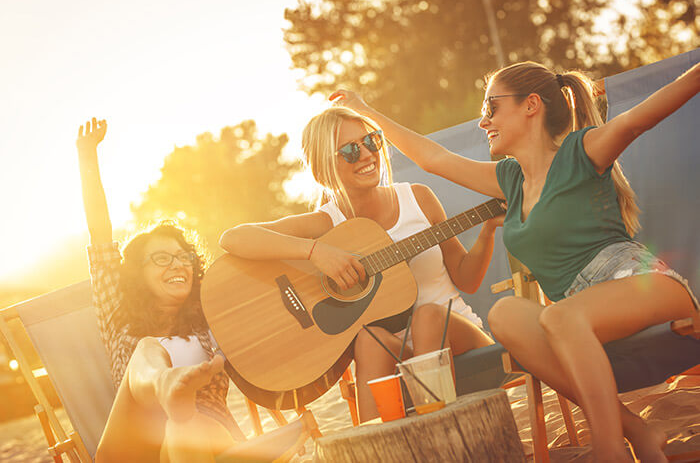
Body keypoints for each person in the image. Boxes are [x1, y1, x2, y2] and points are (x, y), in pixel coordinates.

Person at [330, 60, 699, 461]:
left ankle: (609, 449)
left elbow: (641, 118)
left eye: (491, 108)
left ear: (531, 105)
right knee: (505, 314)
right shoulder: (510, 179)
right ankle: (636, 431)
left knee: (558, 317)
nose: (482, 122)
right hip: (579, 316)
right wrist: (366, 110)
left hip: (641, 284)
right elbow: (433, 159)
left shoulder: (582, 151)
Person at [219, 106, 501, 422]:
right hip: (401, 360)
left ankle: (438, 429)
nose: (367, 154)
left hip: (462, 344)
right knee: (368, 339)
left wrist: (488, 230)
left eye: (372, 141)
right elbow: (234, 238)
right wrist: (316, 253)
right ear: (324, 168)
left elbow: (467, 280)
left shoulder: (418, 199)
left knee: (427, 317)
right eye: (351, 151)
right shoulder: (329, 223)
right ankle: (375, 446)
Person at [76, 118, 243, 462]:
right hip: (136, 445)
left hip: (207, 432)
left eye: (183, 258)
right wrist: (87, 157)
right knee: (147, 348)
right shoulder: (117, 316)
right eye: (162, 258)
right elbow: (99, 229)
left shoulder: (209, 316)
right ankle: (165, 384)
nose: (178, 265)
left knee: (186, 424)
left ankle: (176, 400)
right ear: (138, 274)